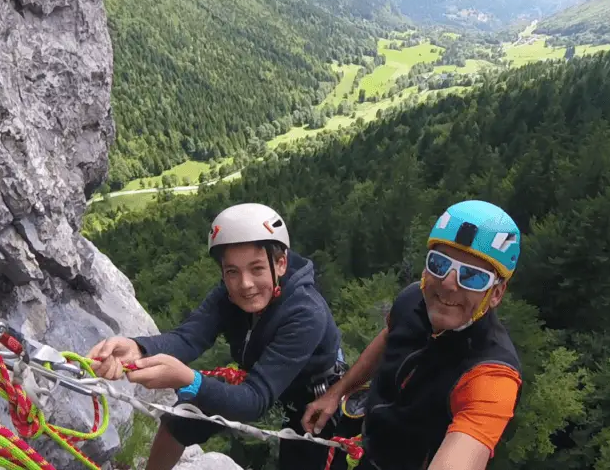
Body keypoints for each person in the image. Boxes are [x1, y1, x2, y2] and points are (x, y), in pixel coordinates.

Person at [87, 203, 349, 470]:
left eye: (257, 269)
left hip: (311, 398)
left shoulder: (305, 312)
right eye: (232, 271)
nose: (245, 284)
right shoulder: (228, 293)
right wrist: (138, 348)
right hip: (261, 379)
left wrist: (190, 379)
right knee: (185, 416)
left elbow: (254, 401)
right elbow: (189, 337)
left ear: (280, 263)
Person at [302, 200, 524, 470]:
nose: (448, 283)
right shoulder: (411, 300)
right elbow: (388, 339)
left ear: (496, 294)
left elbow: (465, 450)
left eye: (473, 276)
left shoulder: (490, 374)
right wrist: (336, 394)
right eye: (439, 264)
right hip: (362, 446)